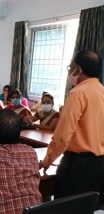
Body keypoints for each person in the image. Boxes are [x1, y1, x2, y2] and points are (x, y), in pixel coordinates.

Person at [40, 50, 104, 199]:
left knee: (67, 207)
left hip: (78, 166)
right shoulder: (102, 92)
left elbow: (62, 136)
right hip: (100, 165)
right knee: (88, 207)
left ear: (79, 69)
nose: (70, 72)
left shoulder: (77, 93)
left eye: (71, 67)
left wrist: (47, 160)